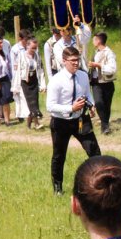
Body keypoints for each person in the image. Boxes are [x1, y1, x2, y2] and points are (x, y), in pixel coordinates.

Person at [47, 46, 102, 195]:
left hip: (80, 119)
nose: (76, 63)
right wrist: (70, 108)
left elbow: (86, 94)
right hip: (61, 122)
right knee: (59, 155)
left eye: (77, 60)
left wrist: (91, 105)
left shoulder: (83, 76)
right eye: (72, 61)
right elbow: (50, 106)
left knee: (94, 151)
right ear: (64, 61)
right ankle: (58, 188)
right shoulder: (56, 80)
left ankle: (99, 184)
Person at [89, 32, 118, 135]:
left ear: (98, 41)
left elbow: (112, 69)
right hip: (96, 83)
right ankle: (105, 125)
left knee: (106, 105)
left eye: (94, 40)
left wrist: (99, 65)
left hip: (107, 83)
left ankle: (104, 126)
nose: (92, 42)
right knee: (98, 103)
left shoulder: (109, 53)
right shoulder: (95, 52)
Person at [16, 37, 45, 130]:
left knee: (34, 102)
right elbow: (17, 72)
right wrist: (15, 86)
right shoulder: (21, 55)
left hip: (34, 80)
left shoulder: (37, 56)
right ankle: (36, 123)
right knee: (30, 103)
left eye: (35, 48)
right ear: (27, 46)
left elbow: (41, 70)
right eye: (32, 48)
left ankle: (29, 124)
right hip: (25, 82)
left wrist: (43, 84)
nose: (34, 50)